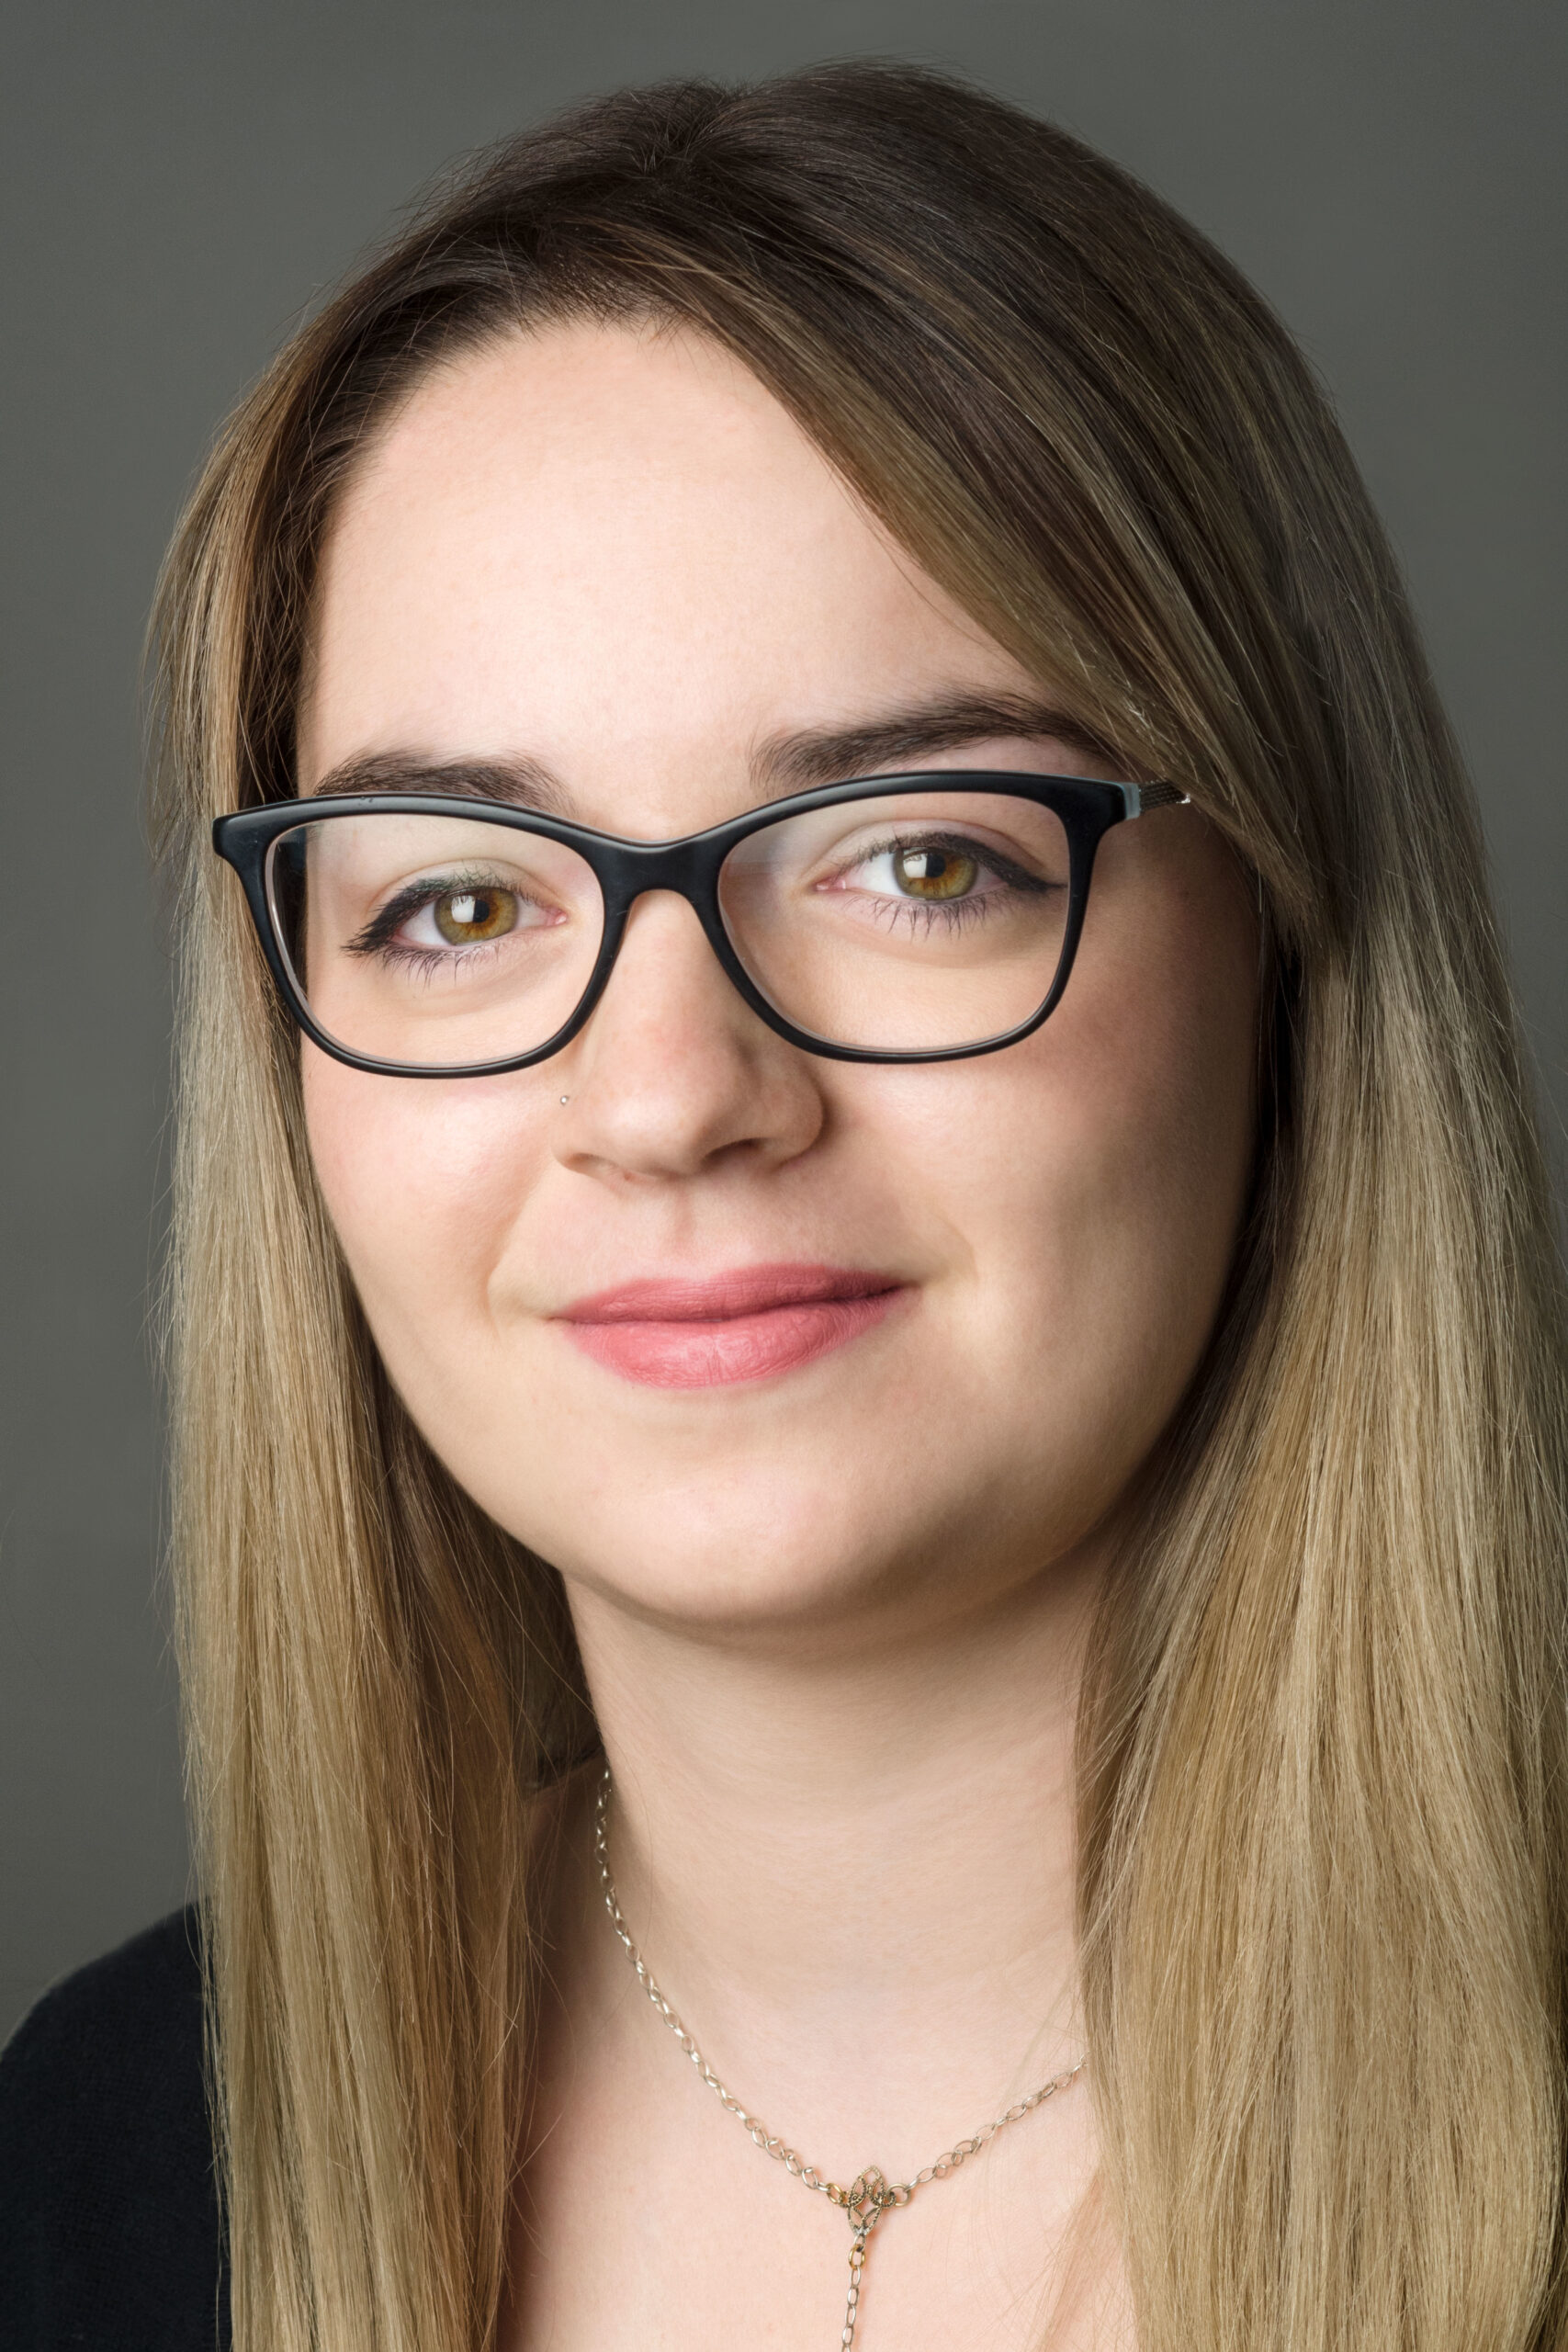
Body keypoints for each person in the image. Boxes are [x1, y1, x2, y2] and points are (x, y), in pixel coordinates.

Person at [3, 58, 1565, 2352]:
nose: (666, 1095)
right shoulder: (87, 2180)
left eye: (918, 856)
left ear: (1285, 947)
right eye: (454, 902)